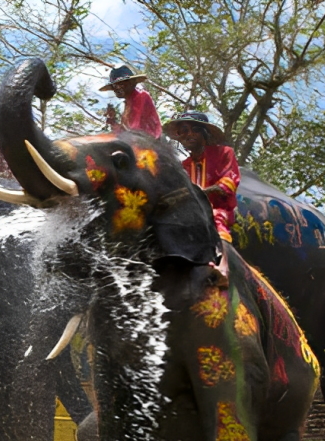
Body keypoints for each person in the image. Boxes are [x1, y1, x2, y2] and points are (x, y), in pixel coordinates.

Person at [163, 110, 240, 282]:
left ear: (204, 133)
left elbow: (229, 180)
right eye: (183, 131)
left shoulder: (224, 153)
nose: (188, 134)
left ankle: (223, 267)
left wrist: (204, 193)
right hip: (191, 214)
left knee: (217, 219)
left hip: (217, 208)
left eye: (194, 129)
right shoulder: (183, 166)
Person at [100, 64, 162, 140]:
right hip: (137, 143)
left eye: (121, 84)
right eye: (114, 86)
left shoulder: (142, 96)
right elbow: (123, 132)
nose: (117, 89)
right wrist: (112, 121)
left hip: (152, 144)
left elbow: (134, 129)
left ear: (132, 83)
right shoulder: (127, 105)